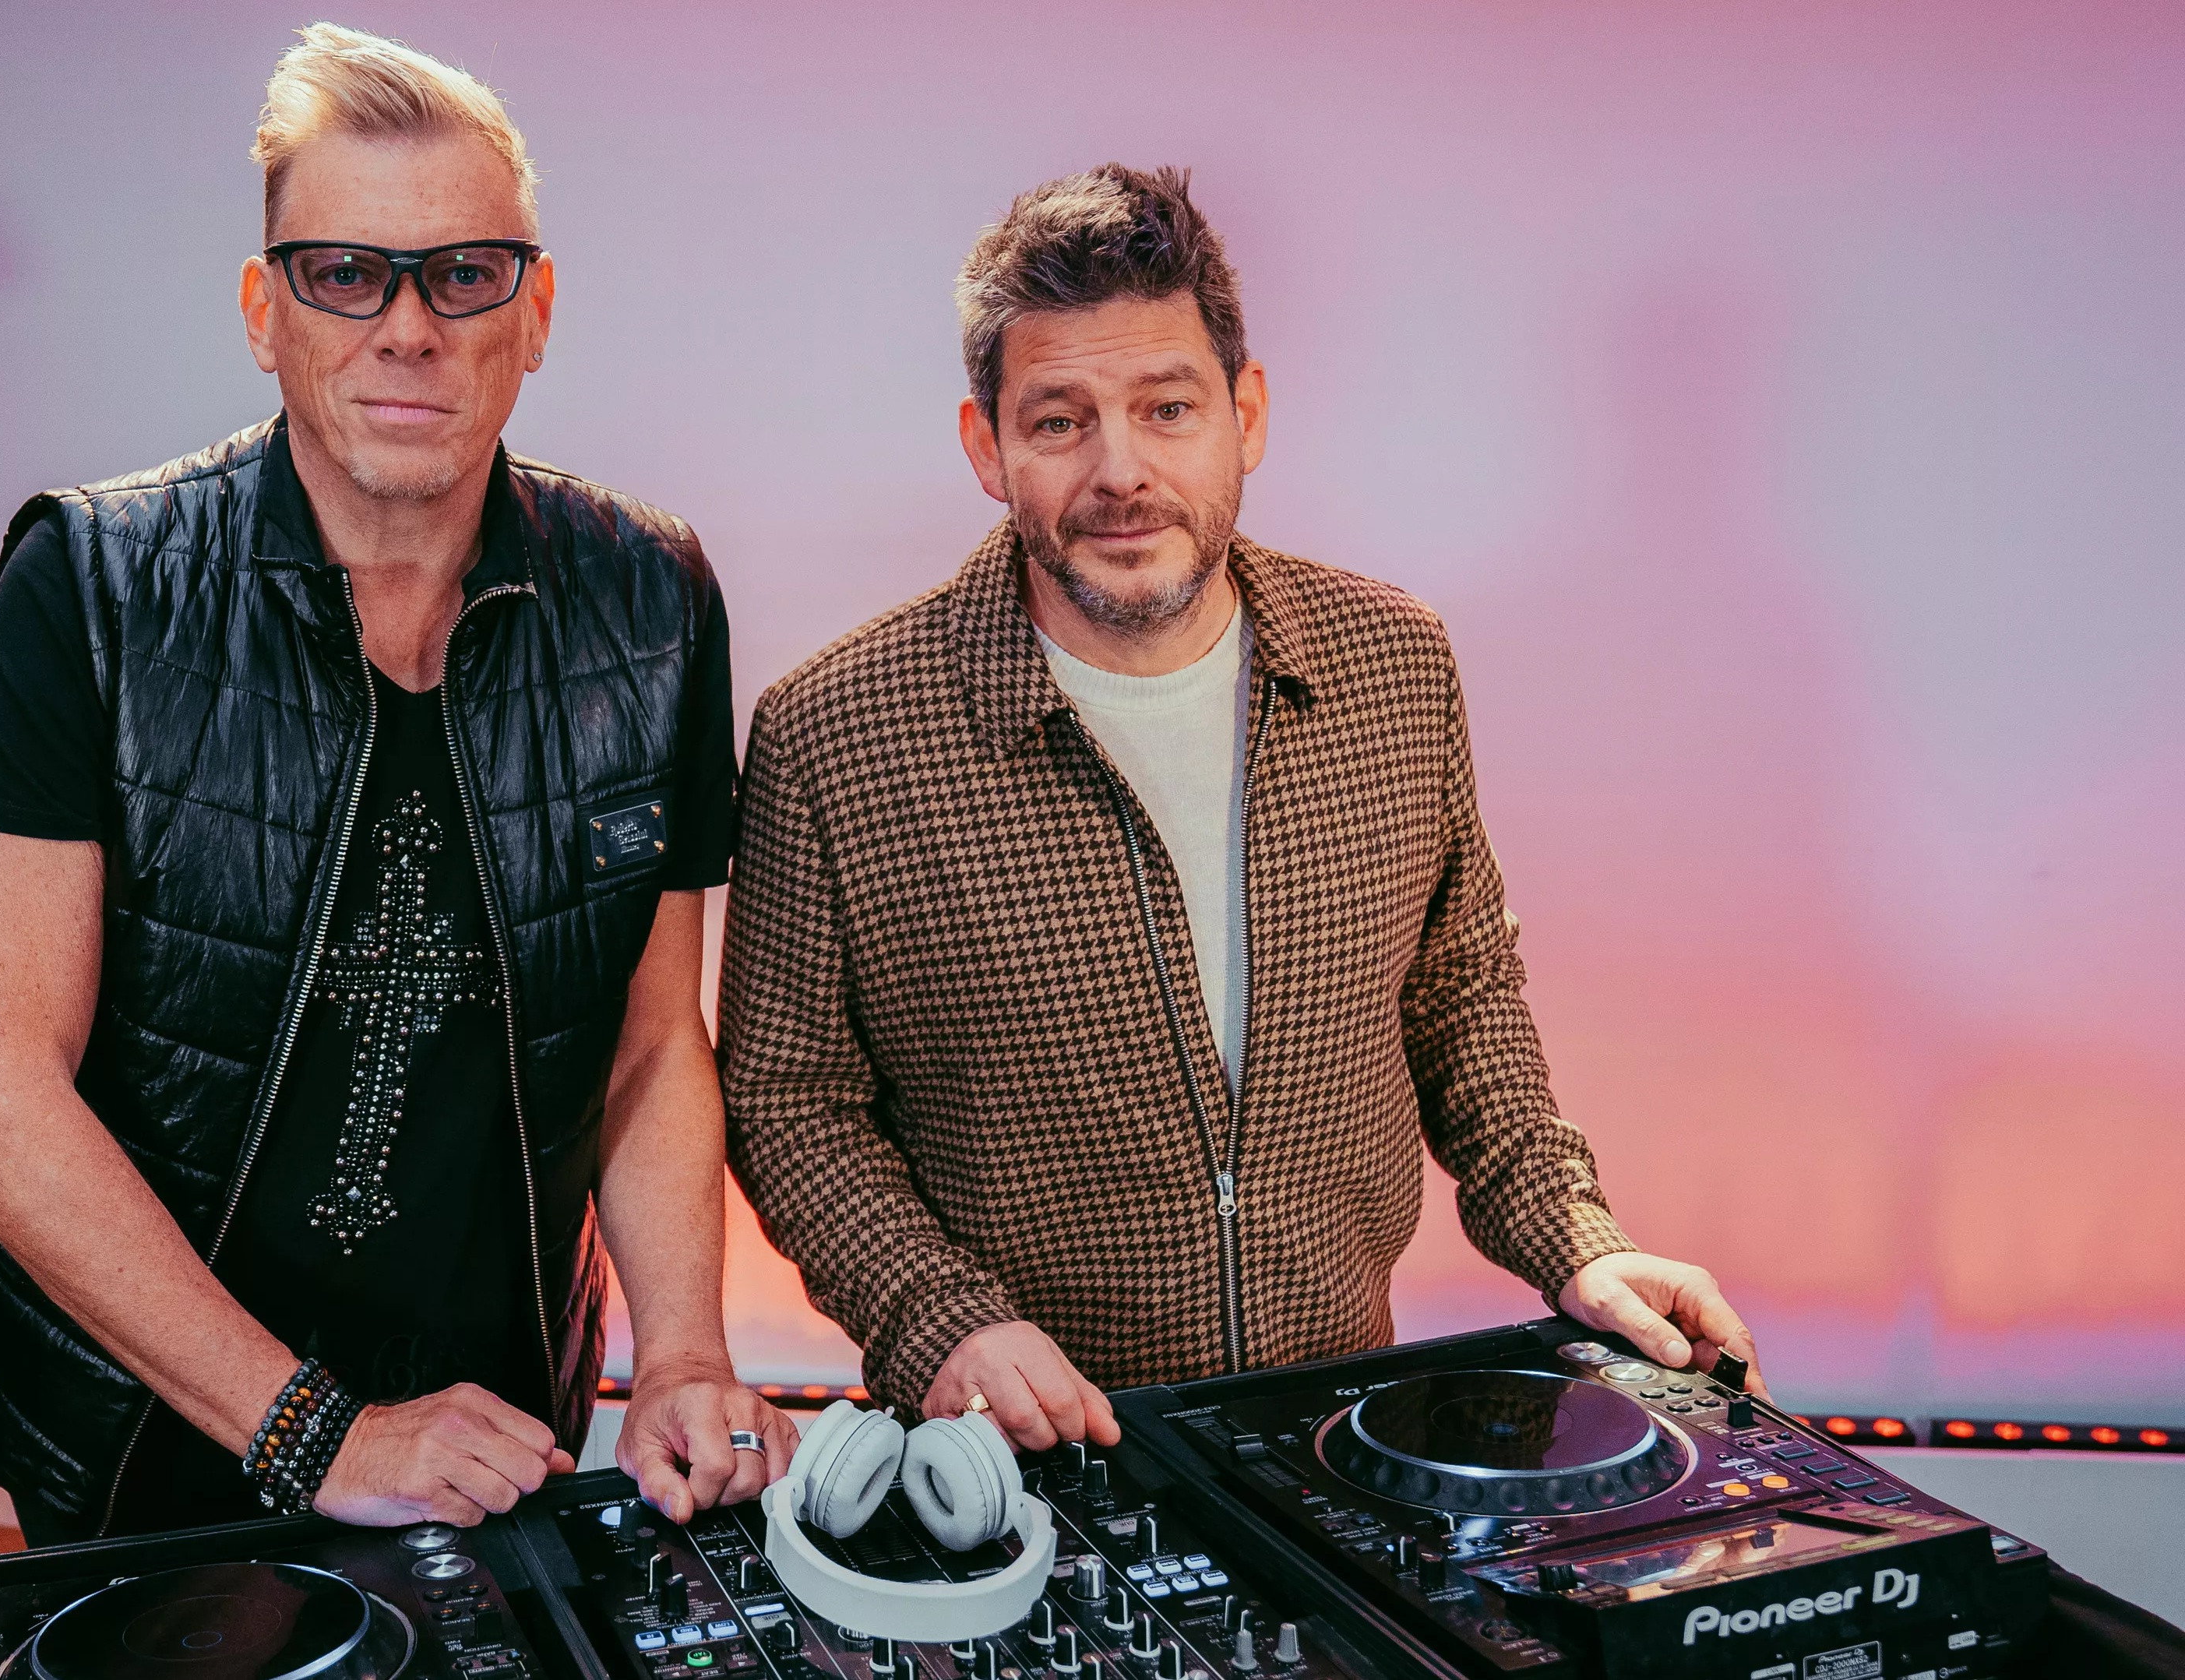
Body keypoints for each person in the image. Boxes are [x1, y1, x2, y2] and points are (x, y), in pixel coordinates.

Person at [718, 164, 1762, 1449]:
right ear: (987, 447)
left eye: (1168, 409)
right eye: (1060, 421)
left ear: (1245, 413)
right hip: (1018, 1463)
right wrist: (941, 1322)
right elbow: (791, 1104)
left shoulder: (1396, 665)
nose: (1121, 471)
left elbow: (1459, 1000)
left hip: (1341, 1436)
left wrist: (1579, 1243)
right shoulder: (835, 733)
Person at [0, 23, 792, 1545]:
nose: (409, 328)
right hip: (142, 1433)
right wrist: (314, 1429)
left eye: (465, 274)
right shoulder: (93, 590)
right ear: (265, 311)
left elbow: (650, 1046)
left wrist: (683, 1353)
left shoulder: (652, 601)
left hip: (498, 1414)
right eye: (344, 273)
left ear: (535, 311)